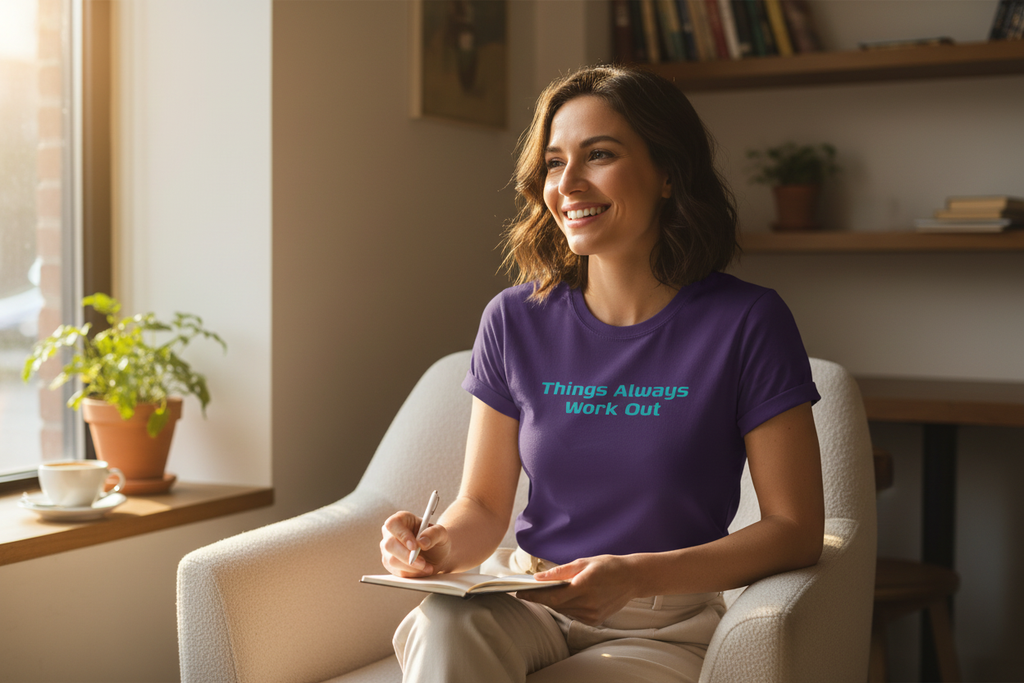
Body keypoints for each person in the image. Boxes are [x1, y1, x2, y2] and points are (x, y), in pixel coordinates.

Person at [379, 64, 824, 683]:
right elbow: (481, 504)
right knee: (444, 624)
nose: (569, 184)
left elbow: (796, 532)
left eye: (600, 155)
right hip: (526, 598)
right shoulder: (514, 319)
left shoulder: (748, 321)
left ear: (669, 174)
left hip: (663, 623)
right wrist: (435, 546)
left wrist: (637, 575)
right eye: (555, 163)